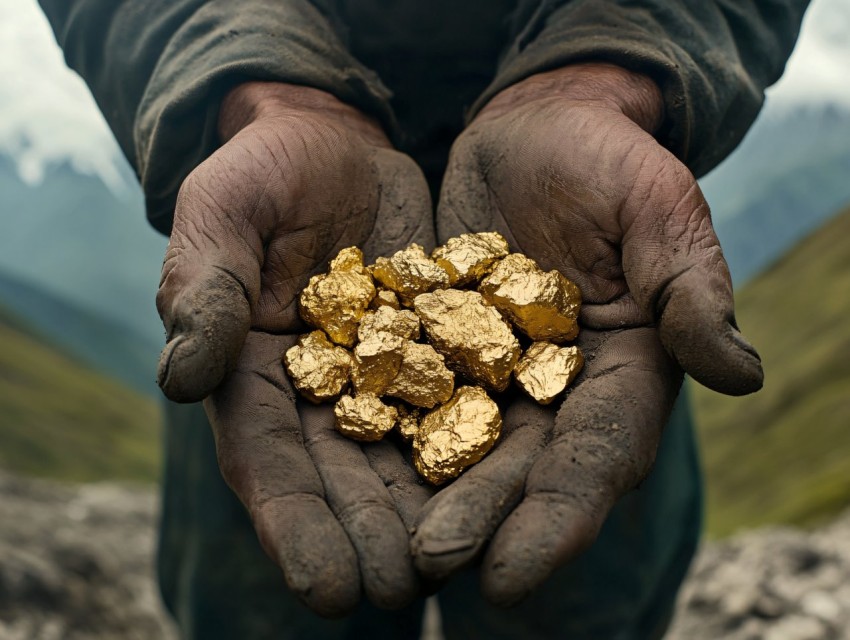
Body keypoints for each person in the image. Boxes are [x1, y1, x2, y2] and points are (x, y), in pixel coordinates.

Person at [38, 1, 809, 638]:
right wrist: (248, 81)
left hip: (595, 255)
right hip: (274, 272)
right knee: (271, 600)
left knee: (579, 591)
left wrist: (610, 64)